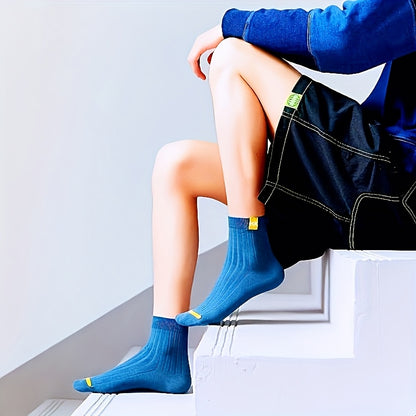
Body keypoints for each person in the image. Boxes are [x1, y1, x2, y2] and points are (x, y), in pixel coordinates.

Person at [73, 0, 416, 394]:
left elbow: (344, 37)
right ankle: (163, 353)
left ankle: (249, 247)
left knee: (232, 56)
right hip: (371, 188)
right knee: (176, 166)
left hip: (394, 189)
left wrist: (231, 24)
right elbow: (348, 37)